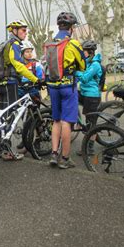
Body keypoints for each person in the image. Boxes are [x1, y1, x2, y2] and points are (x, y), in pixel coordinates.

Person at [47, 12, 86, 169]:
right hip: (68, 86)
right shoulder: (73, 43)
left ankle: (54, 154)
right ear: (71, 28)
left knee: (56, 120)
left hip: (53, 86)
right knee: (66, 122)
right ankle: (65, 158)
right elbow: (83, 66)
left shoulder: (50, 43)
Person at [0, 20, 39, 160]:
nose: (25, 33)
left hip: (2, 83)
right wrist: (35, 79)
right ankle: (6, 151)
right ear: (14, 31)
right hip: (10, 83)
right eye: (22, 30)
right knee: (10, 117)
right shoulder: (14, 44)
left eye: (25, 30)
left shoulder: (6, 43)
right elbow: (19, 66)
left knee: (4, 117)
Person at [16, 40, 45, 155]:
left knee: (33, 119)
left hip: (33, 94)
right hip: (22, 94)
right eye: (26, 52)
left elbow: (41, 78)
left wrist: (37, 82)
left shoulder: (36, 65)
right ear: (22, 54)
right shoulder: (19, 66)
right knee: (24, 118)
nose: (29, 54)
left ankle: (36, 140)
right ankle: (25, 139)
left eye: (30, 51)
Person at [75, 40, 102, 155]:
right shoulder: (86, 62)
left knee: (91, 123)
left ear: (90, 52)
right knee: (71, 97)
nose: (82, 53)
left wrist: (75, 72)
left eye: (83, 51)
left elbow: (85, 78)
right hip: (84, 93)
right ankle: (76, 120)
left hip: (92, 95)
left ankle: (89, 148)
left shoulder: (95, 64)